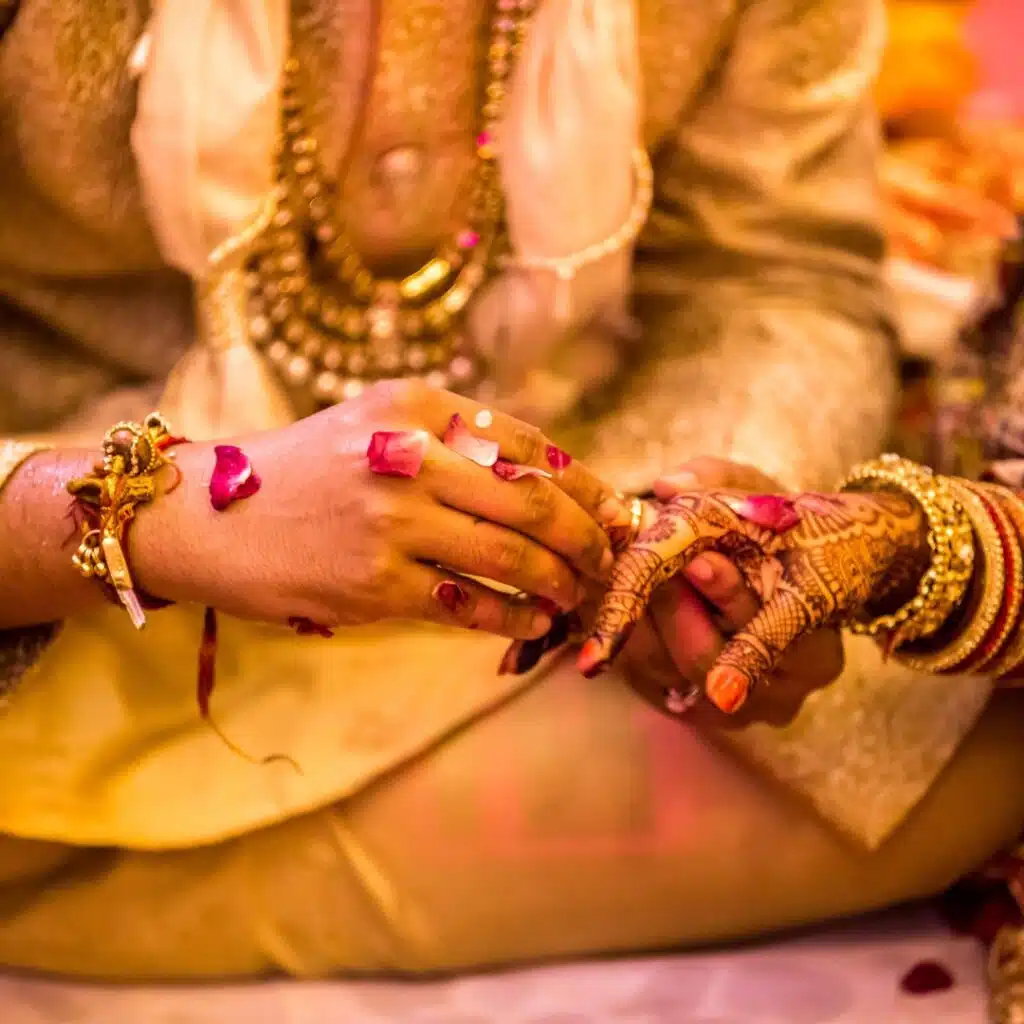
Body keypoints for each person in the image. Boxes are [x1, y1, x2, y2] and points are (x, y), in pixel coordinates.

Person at [2, 0, 1024, 987]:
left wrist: (683, 542)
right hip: (56, 579)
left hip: (536, 583)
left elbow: (773, 278)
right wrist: (154, 512)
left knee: (971, 753)